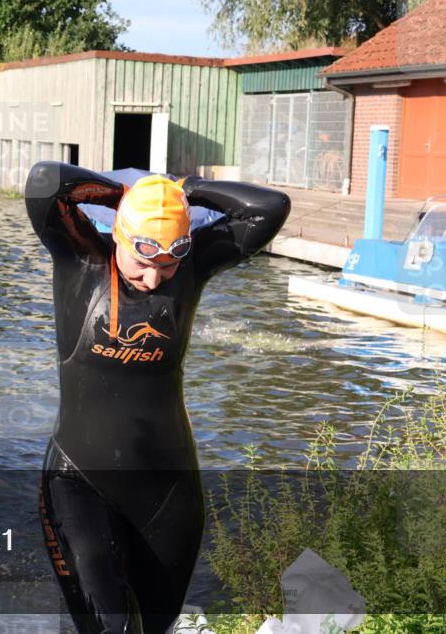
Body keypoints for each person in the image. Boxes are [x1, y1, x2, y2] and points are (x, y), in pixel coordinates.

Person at [26, 162, 290, 634]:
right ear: (121, 238)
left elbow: (270, 208)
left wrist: (185, 191)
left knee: (155, 626)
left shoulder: (191, 269)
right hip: (80, 481)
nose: (154, 280)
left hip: (169, 492)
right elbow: (46, 183)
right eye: (143, 263)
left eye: (166, 266)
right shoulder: (80, 256)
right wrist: (125, 196)